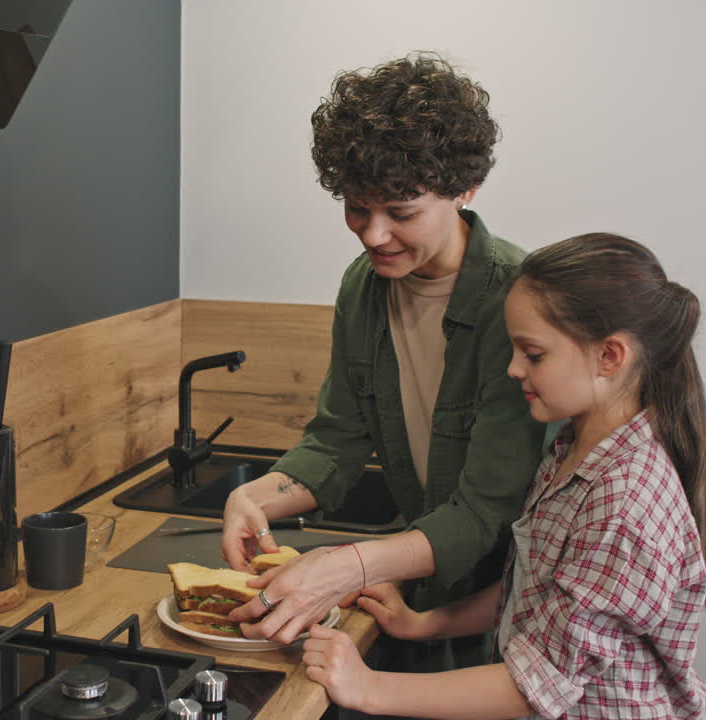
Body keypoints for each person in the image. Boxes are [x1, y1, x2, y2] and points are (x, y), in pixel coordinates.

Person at [300, 233, 706, 719]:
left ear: (609, 356)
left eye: (533, 354)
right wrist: (425, 624)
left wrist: (367, 687)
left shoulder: (624, 504)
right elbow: (534, 589)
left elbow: (534, 684)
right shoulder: (572, 450)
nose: (513, 368)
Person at [221, 51, 548, 677]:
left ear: (465, 189)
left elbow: (486, 514)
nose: (373, 235)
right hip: (410, 596)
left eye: (400, 213)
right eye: (356, 208)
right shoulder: (363, 287)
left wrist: (345, 564)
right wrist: (256, 496)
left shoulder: (519, 301)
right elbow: (339, 439)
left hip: (498, 614)